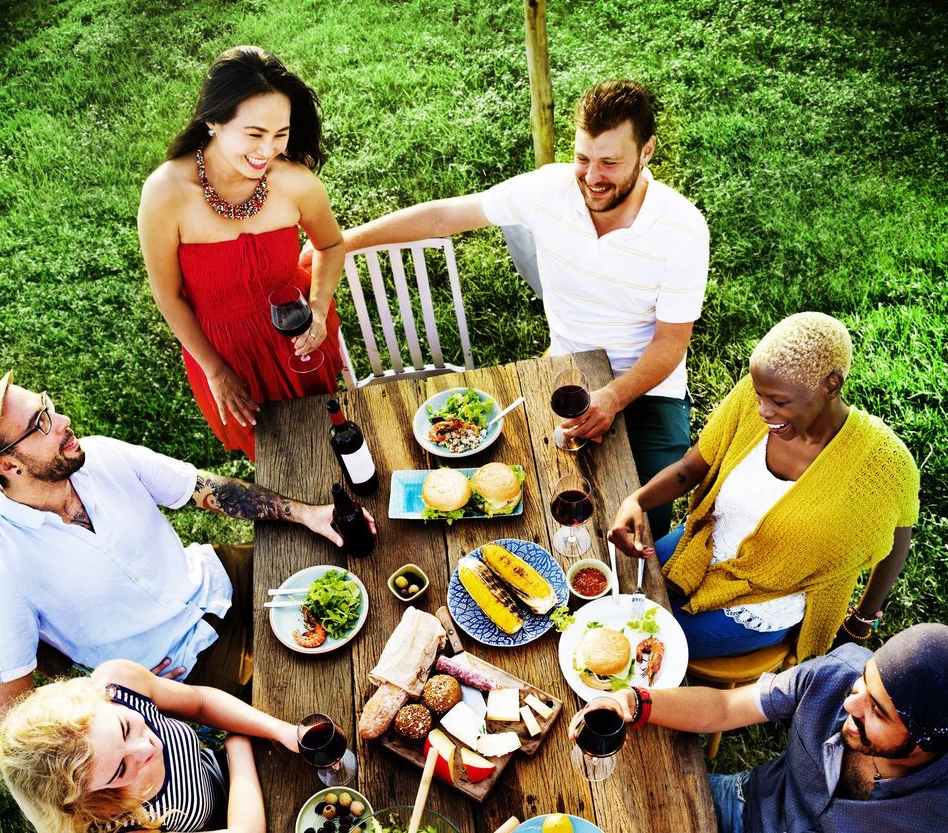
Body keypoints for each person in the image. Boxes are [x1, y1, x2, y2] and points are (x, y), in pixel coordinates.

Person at [308, 79, 709, 540]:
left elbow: (670, 345)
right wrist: (339, 244)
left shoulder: (683, 230)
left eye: (610, 163)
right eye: (583, 158)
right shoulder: (550, 189)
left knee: (642, 523)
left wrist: (614, 397)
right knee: (536, 496)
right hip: (567, 366)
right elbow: (445, 216)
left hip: (647, 388)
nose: (592, 177)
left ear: (647, 152)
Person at [0, 372, 374, 725]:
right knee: (327, 707)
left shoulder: (101, 455)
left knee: (354, 577)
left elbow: (202, 489)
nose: (62, 420)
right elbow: (5, 710)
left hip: (220, 576)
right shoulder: (1, 568)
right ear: (7, 465)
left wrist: (305, 514)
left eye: (47, 404)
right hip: (188, 670)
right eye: (40, 423)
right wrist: (100, 693)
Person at [608, 312, 919, 660]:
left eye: (779, 402)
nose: (762, 411)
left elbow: (896, 541)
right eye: (759, 396)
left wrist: (861, 620)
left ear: (830, 386)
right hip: (703, 544)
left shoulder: (882, 462)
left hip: (768, 598)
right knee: (611, 599)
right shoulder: (756, 395)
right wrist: (637, 501)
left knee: (641, 639)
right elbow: (691, 466)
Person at [138, 45, 346, 462]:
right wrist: (215, 370)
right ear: (213, 120)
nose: (267, 150)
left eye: (280, 134)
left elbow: (330, 244)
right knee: (274, 457)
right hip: (226, 353)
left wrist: (320, 310)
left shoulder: (295, 182)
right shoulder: (165, 194)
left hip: (298, 334)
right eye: (254, 134)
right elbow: (168, 295)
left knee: (329, 432)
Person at [569, 623, 948, 833]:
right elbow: (723, 707)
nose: (850, 703)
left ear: (926, 744)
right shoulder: (835, 675)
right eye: (864, 683)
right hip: (743, 805)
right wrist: (633, 701)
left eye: (878, 712)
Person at [0, 657, 298, 833]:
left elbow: (201, 703)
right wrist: (237, 744)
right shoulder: (113, 825)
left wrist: (282, 731)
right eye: (121, 769)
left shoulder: (119, 683)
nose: (147, 749)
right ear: (91, 800)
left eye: (126, 728)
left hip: (237, 767)